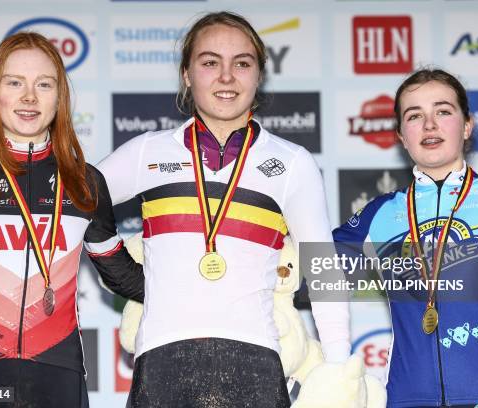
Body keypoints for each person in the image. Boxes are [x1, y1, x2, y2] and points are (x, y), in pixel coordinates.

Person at [98, 11, 350, 408]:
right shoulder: (149, 151)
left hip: (257, 365)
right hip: (161, 362)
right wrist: (110, 259)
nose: (227, 77)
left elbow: (323, 270)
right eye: (210, 62)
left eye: (242, 64)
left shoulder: (292, 162)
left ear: (259, 76)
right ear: (187, 74)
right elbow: (73, 200)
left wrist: (339, 373)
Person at [0, 32, 144, 407]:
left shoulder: (85, 184)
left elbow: (123, 276)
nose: (29, 96)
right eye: (14, 82)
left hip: (59, 372)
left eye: (43, 84)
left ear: (59, 98)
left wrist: (198, 284)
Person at [333, 68, 478, 408]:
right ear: (402, 136)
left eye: (443, 111)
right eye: (414, 115)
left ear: (467, 126)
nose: (429, 125)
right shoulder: (378, 215)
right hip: (405, 397)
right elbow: (302, 271)